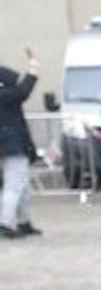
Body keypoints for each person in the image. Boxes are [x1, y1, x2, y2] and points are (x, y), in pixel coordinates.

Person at [0, 52, 40, 240]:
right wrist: (33, 70)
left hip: (10, 146)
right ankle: (6, 223)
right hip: (12, 146)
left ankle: (24, 221)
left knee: (22, 186)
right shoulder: (5, 95)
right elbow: (23, 90)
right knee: (14, 186)